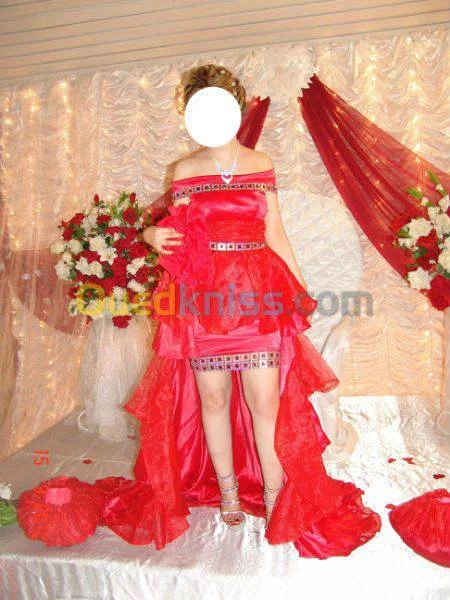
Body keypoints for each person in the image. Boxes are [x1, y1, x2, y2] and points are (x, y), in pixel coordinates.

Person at [103, 65, 381, 559]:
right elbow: (175, 232)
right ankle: (228, 489)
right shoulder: (185, 171)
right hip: (204, 298)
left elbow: (277, 234)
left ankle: (273, 495)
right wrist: (150, 234)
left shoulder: (261, 162)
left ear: (235, 107)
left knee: (265, 402)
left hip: (257, 296)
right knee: (212, 399)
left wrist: (300, 292)